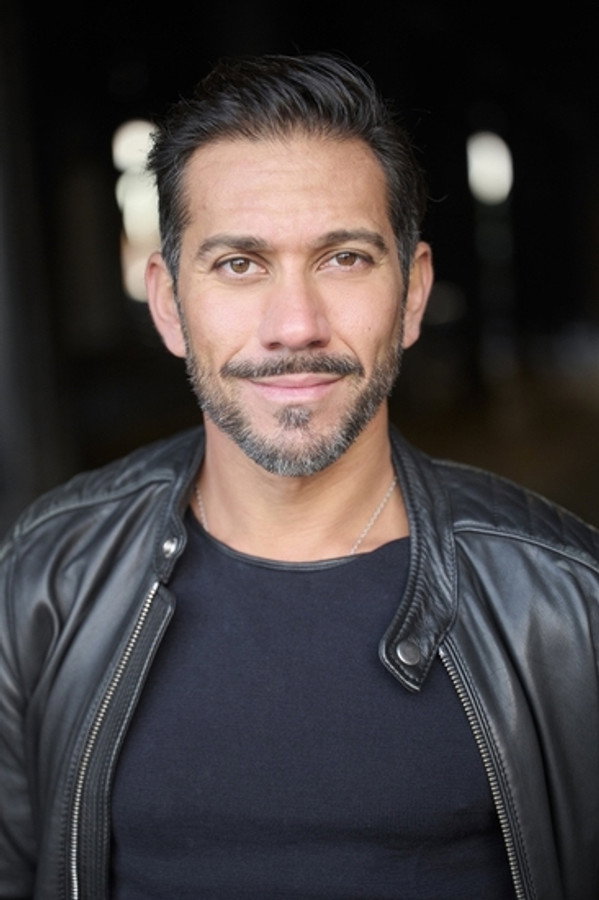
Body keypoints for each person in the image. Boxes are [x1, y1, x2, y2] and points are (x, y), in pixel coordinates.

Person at [1, 51, 598, 900]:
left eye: (343, 258)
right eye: (239, 264)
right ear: (168, 303)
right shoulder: (45, 578)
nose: (294, 325)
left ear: (412, 294)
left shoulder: (566, 600)